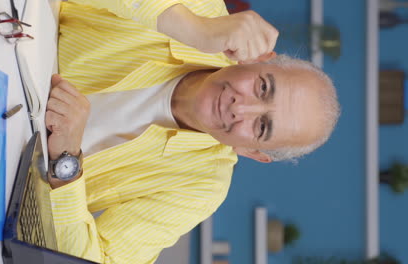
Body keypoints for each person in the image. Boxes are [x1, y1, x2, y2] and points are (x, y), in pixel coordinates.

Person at [44, 0, 340, 263]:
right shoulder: (202, 11)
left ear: (252, 152)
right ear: (258, 59)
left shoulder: (202, 188)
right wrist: (194, 28)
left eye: (261, 126)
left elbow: (98, 260)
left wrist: (65, 161)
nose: (241, 108)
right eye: (262, 87)